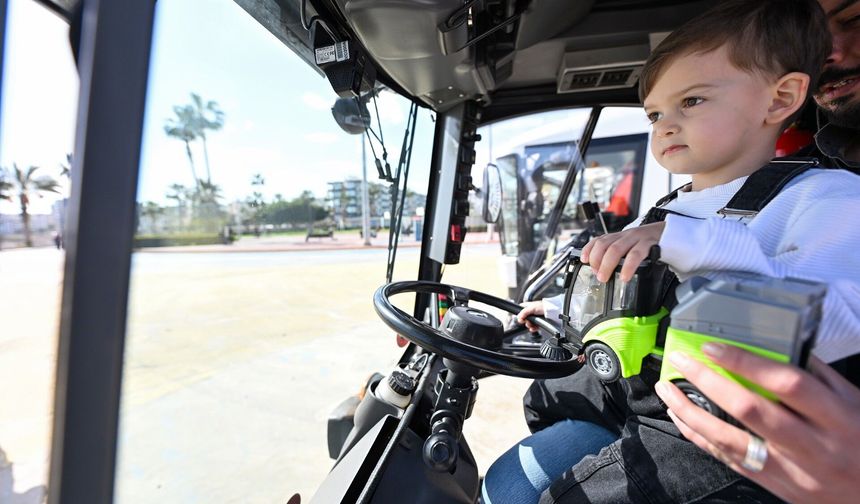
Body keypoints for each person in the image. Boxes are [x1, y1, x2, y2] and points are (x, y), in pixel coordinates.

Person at [482, 1, 860, 503]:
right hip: (628, 397)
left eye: (692, 102)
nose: (664, 126)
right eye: (656, 113)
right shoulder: (666, 208)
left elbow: (839, 322)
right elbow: (620, 288)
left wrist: (687, 243)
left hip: (709, 428)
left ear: (780, 99)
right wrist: (556, 311)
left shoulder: (827, 198)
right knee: (546, 401)